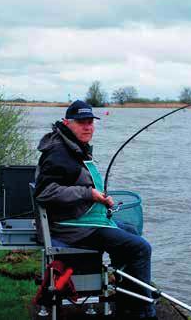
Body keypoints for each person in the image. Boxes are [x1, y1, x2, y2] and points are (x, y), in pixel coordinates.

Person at [34, 100, 157, 320]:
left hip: (84, 218)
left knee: (129, 230)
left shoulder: (71, 146)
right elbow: (45, 192)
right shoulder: (59, 152)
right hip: (73, 227)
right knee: (140, 248)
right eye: (81, 122)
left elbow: (77, 185)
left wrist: (100, 199)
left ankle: (127, 301)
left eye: (90, 122)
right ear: (67, 123)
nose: (87, 127)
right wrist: (88, 194)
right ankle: (143, 313)